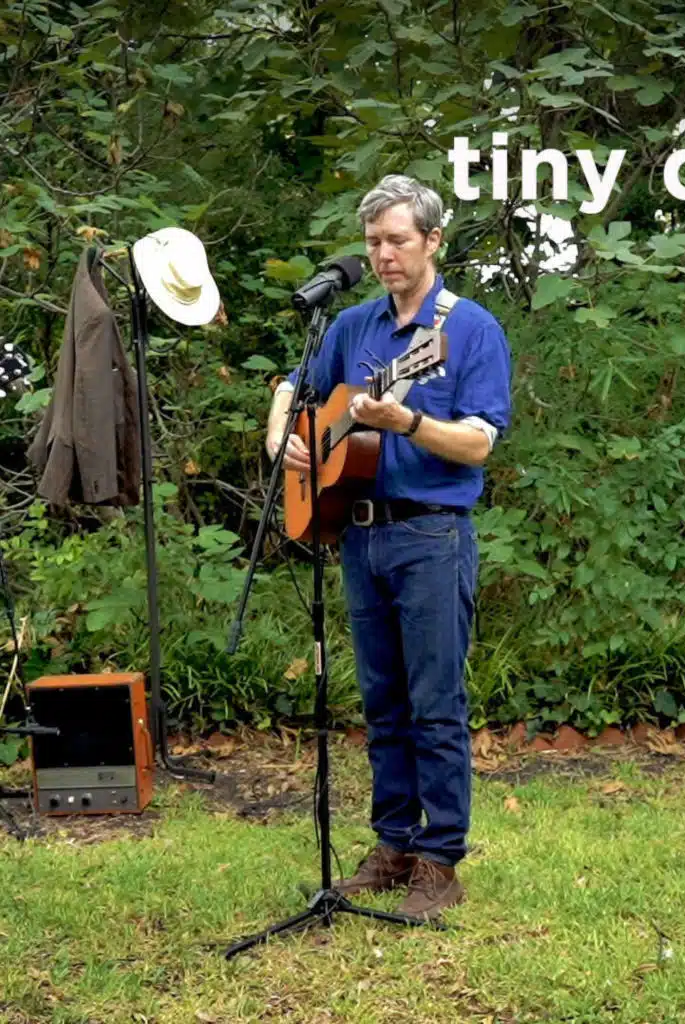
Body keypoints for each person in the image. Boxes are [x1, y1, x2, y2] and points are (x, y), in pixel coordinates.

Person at [265, 175, 512, 918]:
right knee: (381, 703)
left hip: (432, 534)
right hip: (356, 534)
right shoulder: (351, 326)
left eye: (397, 240)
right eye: (373, 242)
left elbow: (478, 444)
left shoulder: (466, 330)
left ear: (433, 241)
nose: (383, 255)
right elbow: (291, 384)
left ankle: (442, 859)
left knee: (436, 701)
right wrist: (286, 438)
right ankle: (393, 844)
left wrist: (406, 424)